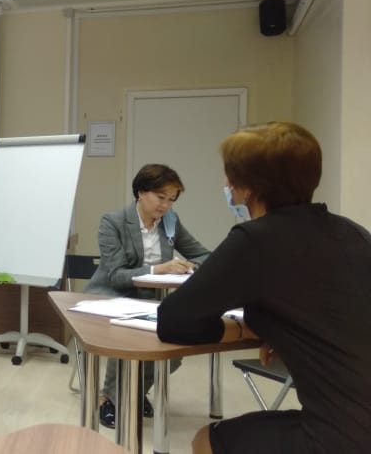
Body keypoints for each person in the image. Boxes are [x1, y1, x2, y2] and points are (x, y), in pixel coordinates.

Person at [157, 122, 371, 454]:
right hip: (356, 421)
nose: (226, 184)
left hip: (341, 439)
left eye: (231, 176)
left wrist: (242, 327)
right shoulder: (353, 233)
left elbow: (173, 319)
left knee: (205, 440)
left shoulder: (256, 240)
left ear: (248, 187)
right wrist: (277, 329)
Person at [85, 163, 210, 428]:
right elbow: (116, 275)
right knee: (127, 337)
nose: (165, 205)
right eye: (160, 197)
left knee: (173, 352)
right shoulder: (113, 222)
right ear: (141, 192)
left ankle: (135, 390)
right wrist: (159, 269)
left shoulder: (170, 222)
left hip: (150, 299)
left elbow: (203, 254)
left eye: (171, 199)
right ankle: (111, 400)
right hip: (111, 296)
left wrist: (191, 266)